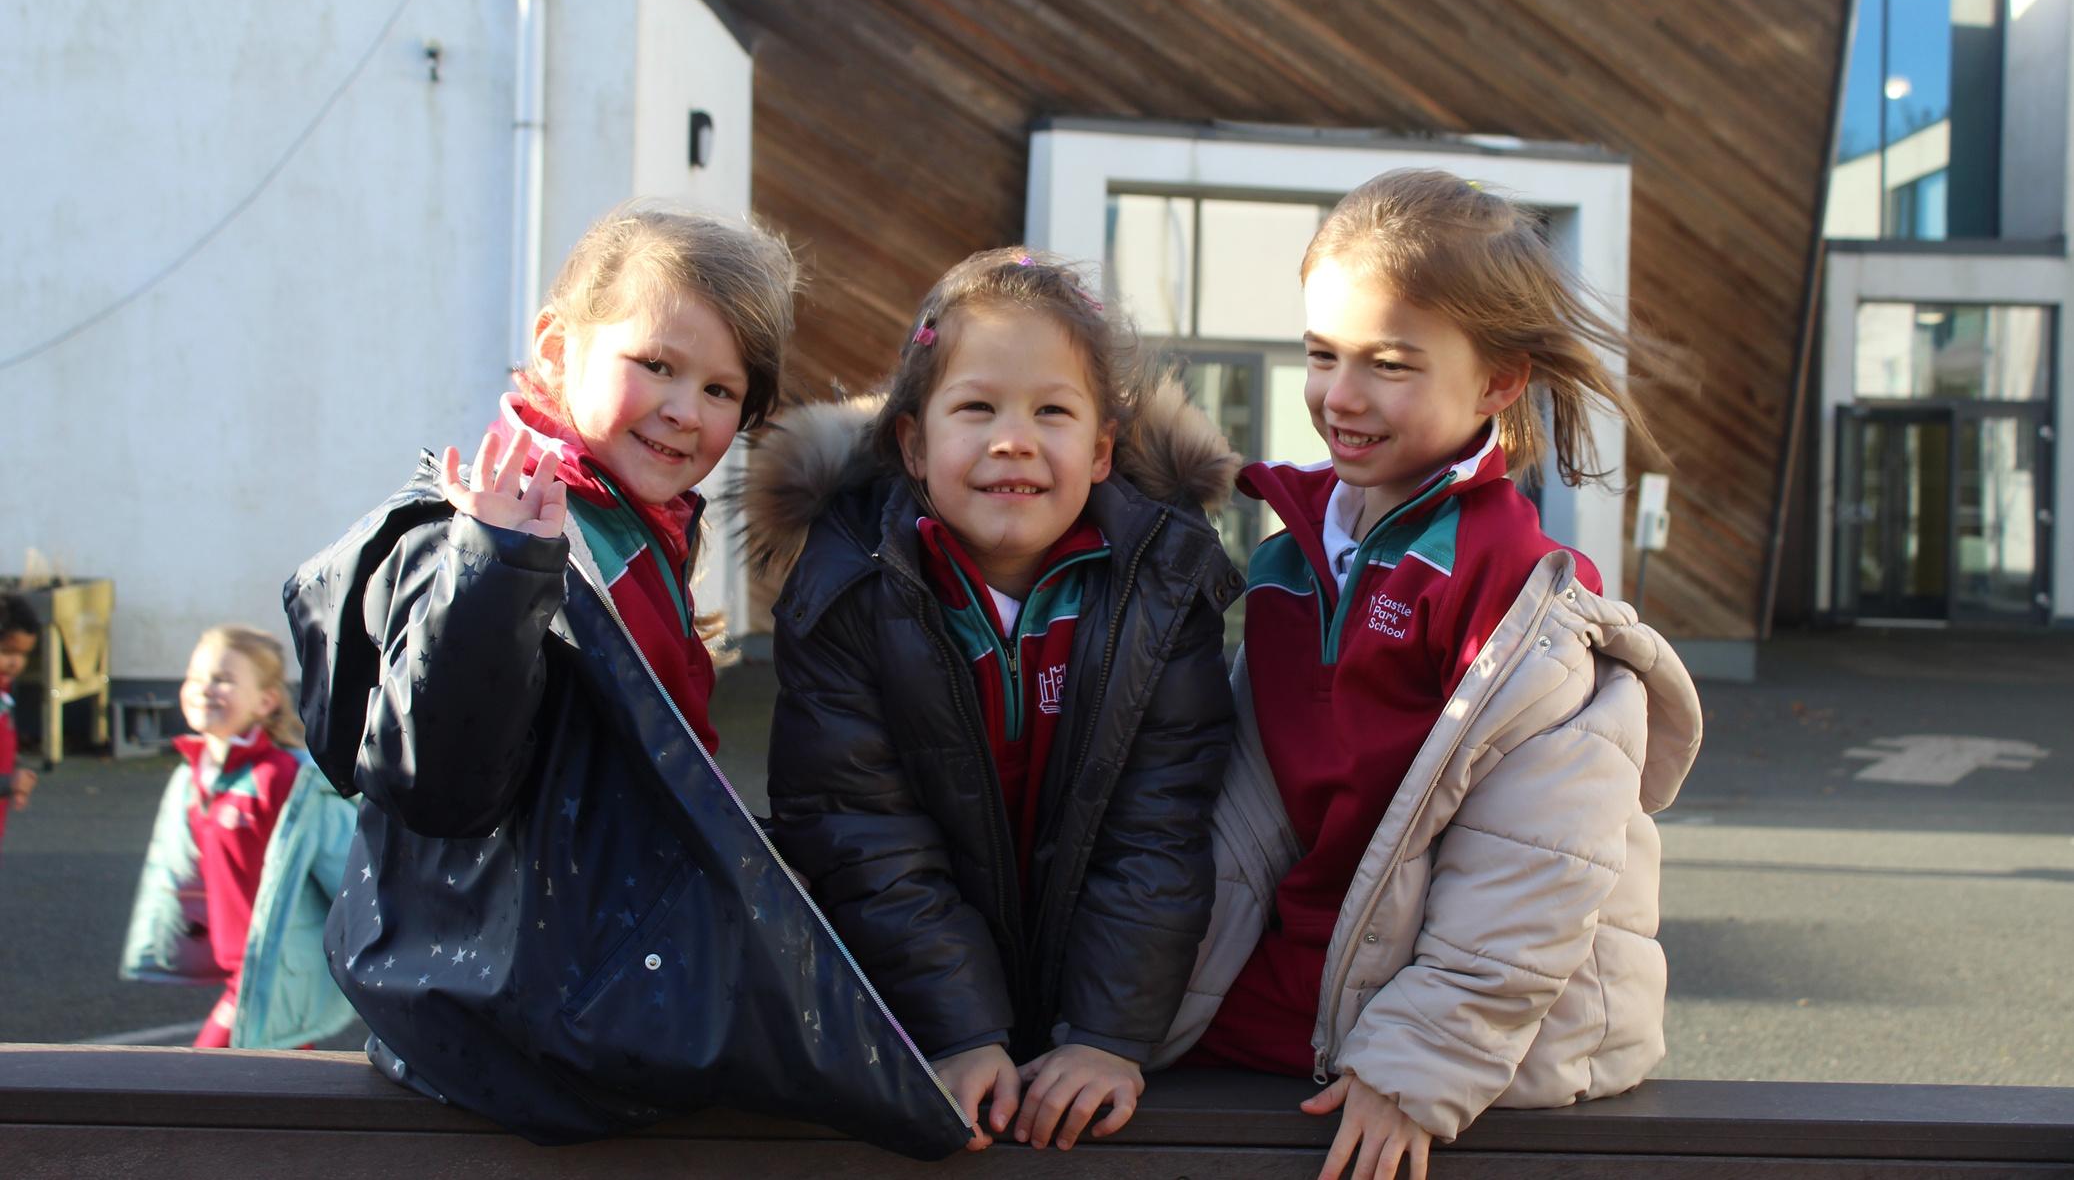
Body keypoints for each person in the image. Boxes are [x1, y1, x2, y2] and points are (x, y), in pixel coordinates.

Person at [285, 205, 968, 1158]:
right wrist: (496, 571)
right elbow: (439, 781)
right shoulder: (492, 528)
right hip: (522, 1006)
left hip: (562, 970)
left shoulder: (633, 523)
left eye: (722, 389)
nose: (686, 409)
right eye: (656, 364)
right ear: (556, 348)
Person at [1158, 170, 1704, 1180]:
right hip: (1324, 982)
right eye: (1321, 354)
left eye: (1389, 364)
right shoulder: (1290, 558)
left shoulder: (1522, 589)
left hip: (1488, 1026)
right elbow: (1249, 814)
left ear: (1497, 382)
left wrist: (1418, 1061)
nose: (1340, 395)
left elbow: (1535, 861)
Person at [748, 248, 1244, 1154]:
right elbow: (865, 837)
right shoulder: (847, 592)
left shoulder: (1166, 591)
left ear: (1101, 449)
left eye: (1052, 411)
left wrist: (1107, 1034)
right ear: (913, 443)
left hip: (1110, 1012)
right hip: (910, 1008)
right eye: (976, 408)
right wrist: (958, 1027)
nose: (1013, 439)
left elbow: (1157, 828)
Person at [119, 624, 360, 1049]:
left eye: (223, 679)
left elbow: (346, 873)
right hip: (241, 969)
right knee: (274, 1076)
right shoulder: (193, 775)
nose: (204, 688)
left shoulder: (282, 779)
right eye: (195, 677)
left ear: (265, 701)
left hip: (269, 970)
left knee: (205, 1076)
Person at [0, 593, 41, 858]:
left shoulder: (4, 694)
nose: (16, 663)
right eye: (7, 652)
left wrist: (15, 774)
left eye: (23, 654)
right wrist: (7, 784)